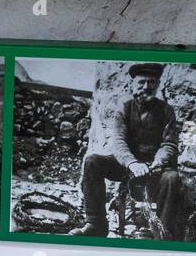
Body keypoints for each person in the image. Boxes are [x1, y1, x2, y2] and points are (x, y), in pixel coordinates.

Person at [71, 62, 185, 240]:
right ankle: (95, 224)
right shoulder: (124, 108)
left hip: (154, 168)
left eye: (151, 83)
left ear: (157, 85)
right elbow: (119, 142)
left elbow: (169, 144)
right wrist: (132, 163)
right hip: (126, 166)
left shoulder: (166, 111)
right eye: (141, 83)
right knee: (92, 161)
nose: (146, 87)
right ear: (133, 84)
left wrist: (157, 162)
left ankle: (162, 235)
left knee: (172, 178)